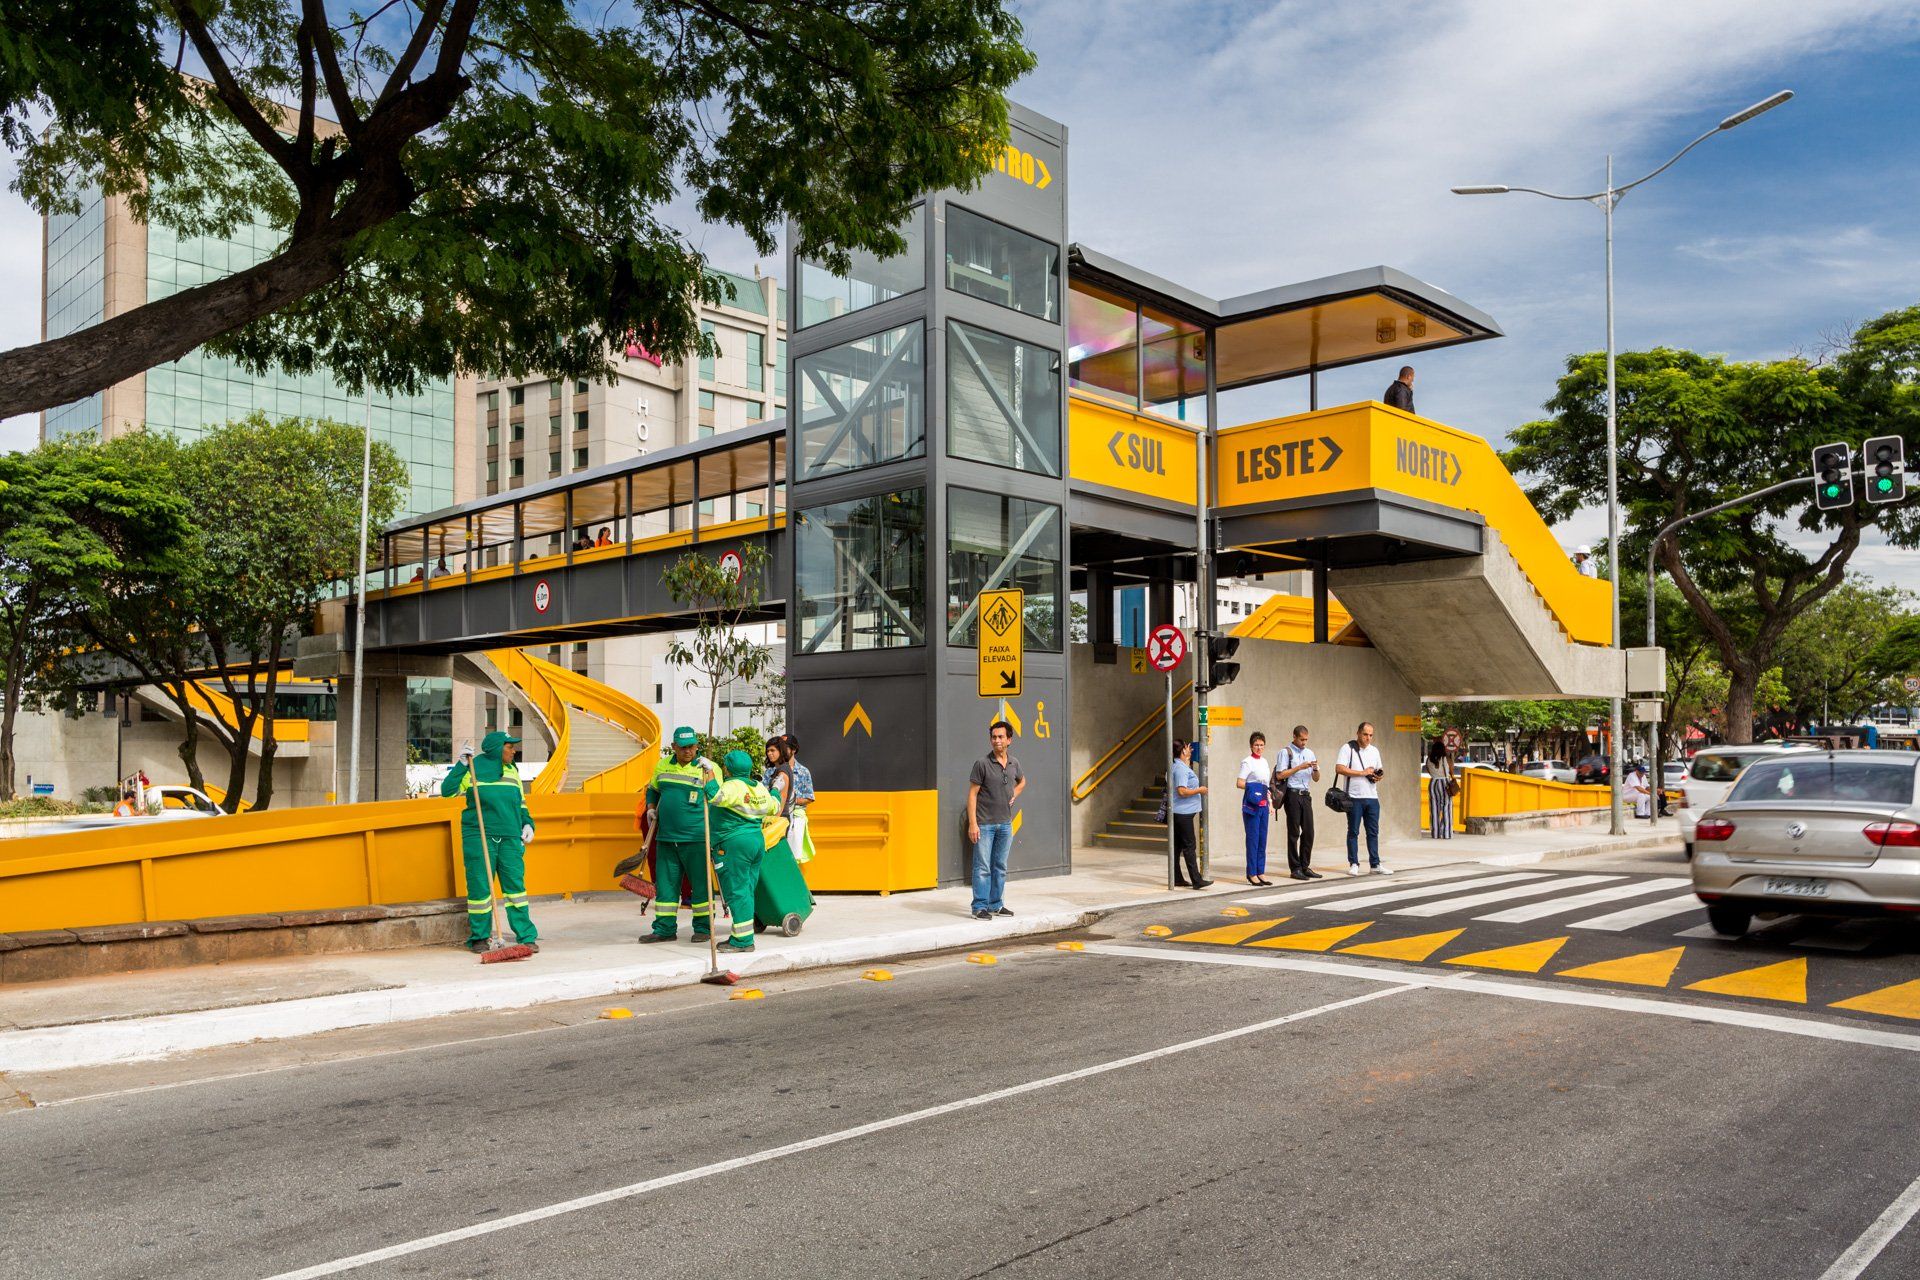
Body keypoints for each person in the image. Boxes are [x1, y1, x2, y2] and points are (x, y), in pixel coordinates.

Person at [441, 731, 539, 954]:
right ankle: (479, 937)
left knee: (516, 890)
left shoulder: (512, 771)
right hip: (479, 836)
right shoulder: (473, 770)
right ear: (497, 749)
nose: (514, 751)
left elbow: (521, 805)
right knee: (480, 889)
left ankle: (526, 936)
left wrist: (528, 824)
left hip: (510, 837)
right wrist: (461, 765)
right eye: (509, 747)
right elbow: (447, 792)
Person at [639, 726, 717, 944]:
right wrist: (651, 807)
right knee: (666, 886)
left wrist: (710, 773)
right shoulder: (663, 765)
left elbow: (718, 796)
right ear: (673, 747)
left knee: (701, 886)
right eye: (683, 747)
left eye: (691, 746)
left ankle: (703, 928)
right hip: (666, 838)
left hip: (697, 838)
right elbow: (653, 789)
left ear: (697, 745)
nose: (688, 751)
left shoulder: (707, 768)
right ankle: (664, 929)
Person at [709, 749, 779, 953]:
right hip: (755, 842)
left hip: (734, 843)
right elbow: (774, 806)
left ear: (727, 769)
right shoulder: (758, 787)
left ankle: (742, 941)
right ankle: (744, 935)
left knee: (737, 891)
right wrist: (775, 790)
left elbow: (715, 796)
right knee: (746, 890)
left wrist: (709, 775)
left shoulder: (732, 786)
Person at [966, 721, 1025, 920]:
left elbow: (1022, 781)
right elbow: (972, 795)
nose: (997, 740)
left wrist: (1014, 793)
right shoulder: (982, 764)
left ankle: (996, 904)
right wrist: (973, 824)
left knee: (1000, 866)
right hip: (985, 824)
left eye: (1001, 737)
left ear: (1009, 740)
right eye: (994, 737)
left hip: (1005, 824)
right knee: (982, 867)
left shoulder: (1014, 763)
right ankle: (979, 907)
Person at [1336, 722, 1389, 876]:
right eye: (1365, 734)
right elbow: (1339, 768)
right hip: (1354, 797)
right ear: (1358, 733)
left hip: (1372, 797)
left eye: (1371, 735)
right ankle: (1353, 863)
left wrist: (1378, 776)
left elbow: (1380, 770)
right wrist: (1362, 773)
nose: (1368, 738)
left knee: (1373, 832)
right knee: (1353, 831)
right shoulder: (1348, 748)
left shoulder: (1374, 751)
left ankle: (1375, 864)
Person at [1276, 724, 1321, 879]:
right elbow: (1280, 775)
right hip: (1292, 795)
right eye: (1301, 739)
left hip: (1306, 795)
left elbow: (1316, 779)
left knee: (1309, 832)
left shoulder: (1310, 753)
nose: (1304, 742)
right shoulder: (1285, 752)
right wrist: (1299, 767)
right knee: (1294, 832)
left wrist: (1315, 769)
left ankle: (1305, 865)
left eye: (1306, 740)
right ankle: (1295, 868)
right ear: (1294, 737)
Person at [1169, 739, 1211, 889]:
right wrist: (1199, 790)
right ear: (1182, 750)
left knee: (1177, 847)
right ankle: (1196, 880)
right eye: (1187, 747)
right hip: (1183, 814)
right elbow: (1181, 791)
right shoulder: (1180, 768)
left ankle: (1177, 878)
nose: (1190, 749)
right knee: (1189, 846)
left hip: (1181, 812)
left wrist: (1187, 761)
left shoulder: (1179, 765)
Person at [1236, 731, 1274, 887]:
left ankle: (1260, 871)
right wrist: (1254, 787)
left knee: (1262, 839)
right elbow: (1239, 782)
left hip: (1264, 804)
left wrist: (1270, 804)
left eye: (1261, 745)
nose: (1259, 747)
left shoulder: (1265, 762)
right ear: (1251, 746)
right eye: (1256, 745)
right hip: (1252, 805)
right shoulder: (1247, 762)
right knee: (1253, 839)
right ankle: (1251, 873)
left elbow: (1266, 787)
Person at [1426, 738, 1455, 840]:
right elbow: (1451, 771)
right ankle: (1447, 833)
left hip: (1433, 783)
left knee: (1434, 809)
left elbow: (1429, 771)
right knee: (1447, 808)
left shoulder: (1429, 759)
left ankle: (1436, 834)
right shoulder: (1446, 758)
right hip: (1444, 783)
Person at [763, 736, 795, 817]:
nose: (769, 753)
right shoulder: (780, 769)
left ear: (781, 751)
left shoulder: (783, 771)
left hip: (780, 818)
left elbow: (782, 799)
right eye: (768, 751)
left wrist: (774, 821)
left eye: (772, 750)